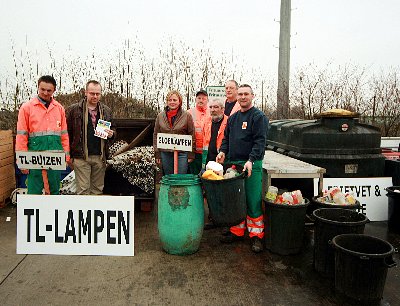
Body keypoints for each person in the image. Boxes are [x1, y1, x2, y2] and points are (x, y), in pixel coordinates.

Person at [216, 84, 269, 253]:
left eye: (246, 94)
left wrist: (251, 160)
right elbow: (226, 138)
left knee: (253, 199)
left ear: (252, 96)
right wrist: (223, 152)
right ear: (237, 97)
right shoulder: (232, 118)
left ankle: (256, 236)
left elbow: (260, 142)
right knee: (236, 199)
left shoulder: (258, 117)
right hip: (234, 164)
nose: (243, 97)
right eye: (240, 94)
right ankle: (237, 231)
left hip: (252, 164)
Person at [16, 75, 70, 195]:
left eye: (49, 90)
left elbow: (64, 135)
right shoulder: (26, 108)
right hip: (34, 158)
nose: (45, 93)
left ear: (54, 90)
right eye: (42, 89)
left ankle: (53, 213)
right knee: (34, 191)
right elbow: (21, 136)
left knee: (54, 190)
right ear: (38, 88)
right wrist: (21, 160)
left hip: (55, 159)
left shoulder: (59, 108)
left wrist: (66, 157)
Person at [66, 80, 115, 195]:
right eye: (92, 93)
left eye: (98, 94)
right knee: (83, 191)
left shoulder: (106, 111)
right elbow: (67, 133)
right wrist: (69, 156)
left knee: (97, 191)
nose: (95, 96)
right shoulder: (73, 110)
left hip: (100, 157)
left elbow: (114, 129)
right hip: (81, 157)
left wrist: (112, 134)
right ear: (85, 92)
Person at [153, 90, 195, 175]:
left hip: (182, 152)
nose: (172, 102)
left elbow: (192, 134)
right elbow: (156, 135)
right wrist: (157, 153)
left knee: (181, 176)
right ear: (167, 102)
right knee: (169, 177)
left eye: (175, 100)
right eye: (170, 100)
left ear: (179, 102)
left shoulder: (187, 116)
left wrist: (191, 153)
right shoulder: (160, 116)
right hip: (166, 152)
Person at [202, 98, 228, 230]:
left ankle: (225, 222)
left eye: (215, 107)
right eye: (210, 107)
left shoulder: (228, 122)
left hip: (223, 162)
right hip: (209, 162)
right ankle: (213, 217)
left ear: (222, 109)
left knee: (224, 193)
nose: (212, 110)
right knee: (210, 192)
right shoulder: (207, 122)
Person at [188, 89, 210, 175]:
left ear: (207, 100)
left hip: (208, 152)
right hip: (194, 153)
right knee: (195, 176)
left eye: (203, 98)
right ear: (196, 99)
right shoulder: (189, 113)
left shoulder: (211, 112)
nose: (201, 100)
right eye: (199, 98)